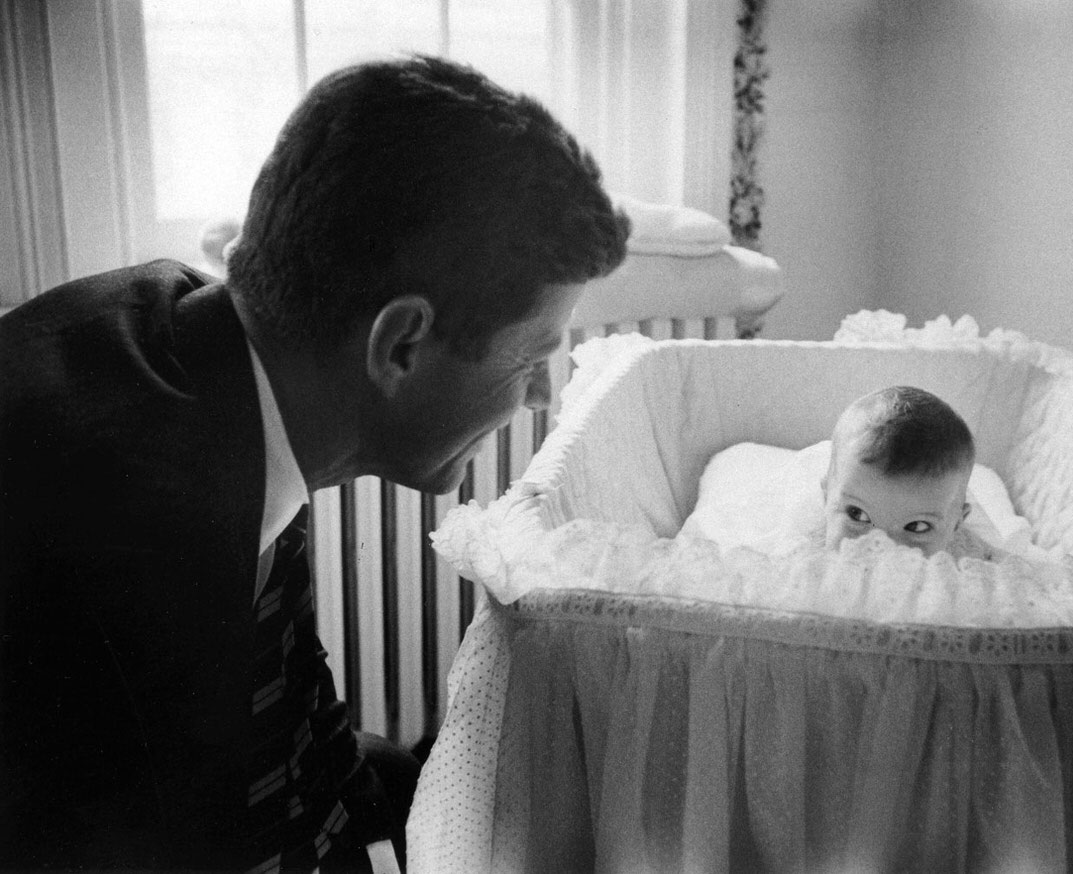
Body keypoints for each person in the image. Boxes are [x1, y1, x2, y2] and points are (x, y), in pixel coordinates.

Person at [0, 55, 628, 872]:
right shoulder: (128, 539)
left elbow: (296, 720)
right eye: (530, 360)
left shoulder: (227, 357)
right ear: (399, 344)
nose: (545, 395)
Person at [821, 385, 991, 559]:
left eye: (917, 526)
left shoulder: (968, 563)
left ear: (956, 525)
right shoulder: (806, 559)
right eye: (857, 514)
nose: (881, 550)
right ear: (826, 497)